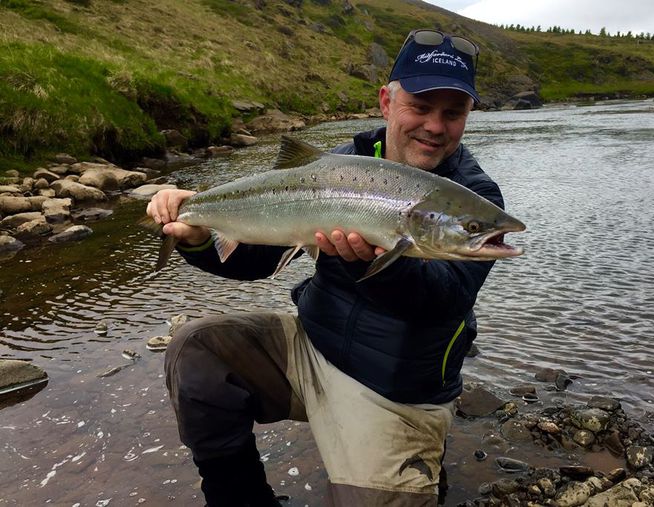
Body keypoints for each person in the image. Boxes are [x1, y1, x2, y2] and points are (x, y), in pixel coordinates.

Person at [147, 29, 506, 506]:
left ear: (467, 117)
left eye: (452, 113)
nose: (435, 127)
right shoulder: (337, 166)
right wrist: (196, 237)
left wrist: (381, 265)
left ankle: (418, 467)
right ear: (386, 103)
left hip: (395, 391)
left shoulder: (476, 199)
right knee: (196, 348)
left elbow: (445, 300)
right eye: (420, 107)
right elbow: (254, 261)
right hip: (310, 351)